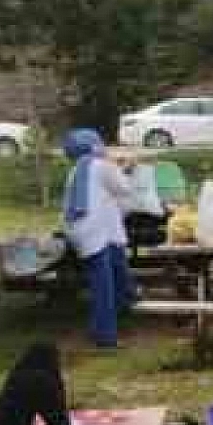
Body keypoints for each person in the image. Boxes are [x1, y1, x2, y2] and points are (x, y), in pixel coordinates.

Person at [62, 129, 136, 348]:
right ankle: (105, 337)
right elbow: (124, 188)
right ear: (95, 146)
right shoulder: (101, 165)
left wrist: (118, 167)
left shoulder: (77, 169)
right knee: (102, 286)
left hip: (84, 230)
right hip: (95, 232)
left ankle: (127, 300)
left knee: (118, 266)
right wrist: (125, 168)